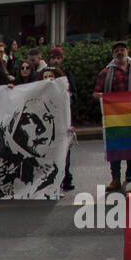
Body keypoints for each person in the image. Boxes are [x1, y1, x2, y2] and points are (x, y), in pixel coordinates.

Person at [93, 41, 131, 191]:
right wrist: (101, 96)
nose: (120, 52)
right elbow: (95, 92)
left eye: (122, 50)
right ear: (113, 55)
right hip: (115, 118)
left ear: (127, 51)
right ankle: (115, 179)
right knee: (116, 149)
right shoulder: (105, 73)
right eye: (116, 51)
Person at [47, 47, 76, 191]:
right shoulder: (44, 74)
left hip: (64, 119)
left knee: (65, 149)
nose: (56, 60)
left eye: (58, 58)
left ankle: (66, 177)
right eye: (53, 58)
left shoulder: (67, 75)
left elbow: (74, 95)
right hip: (48, 120)